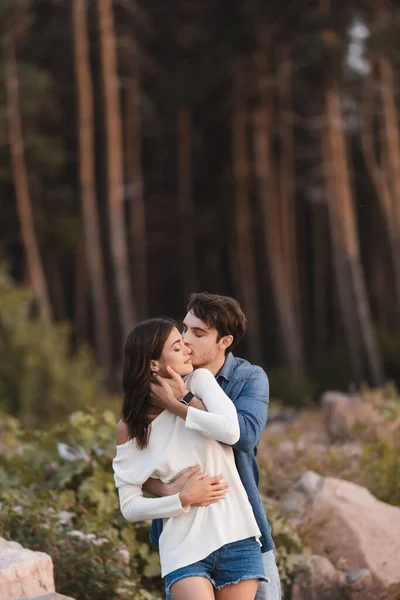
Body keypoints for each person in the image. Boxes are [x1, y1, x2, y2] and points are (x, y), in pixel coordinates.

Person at [113, 317, 268, 600]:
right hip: (184, 549)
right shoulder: (130, 429)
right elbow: (129, 506)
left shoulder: (200, 381)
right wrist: (181, 499)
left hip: (236, 536)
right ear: (153, 364)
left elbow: (232, 431)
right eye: (177, 345)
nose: (187, 348)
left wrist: (179, 402)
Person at [147, 293, 281, 600]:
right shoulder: (162, 379)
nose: (185, 339)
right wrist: (169, 491)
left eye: (198, 332)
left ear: (224, 341)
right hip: (185, 534)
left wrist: (182, 403)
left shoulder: (248, 378)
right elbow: (136, 461)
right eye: (185, 329)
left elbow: (244, 435)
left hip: (242, 530)